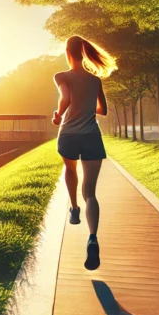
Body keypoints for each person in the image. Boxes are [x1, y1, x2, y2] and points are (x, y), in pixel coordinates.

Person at [52, 35, 112, 270]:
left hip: (68, 135)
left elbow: (65, 98)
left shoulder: (62, 76)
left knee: (70, 168)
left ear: (68, 52)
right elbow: (103, 110)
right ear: (84, 52)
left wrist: (58, 115)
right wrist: (87, 105)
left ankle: (74, 210)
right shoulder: (95, 80)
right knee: (91, 192)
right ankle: (93, 238)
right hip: (91, 137)